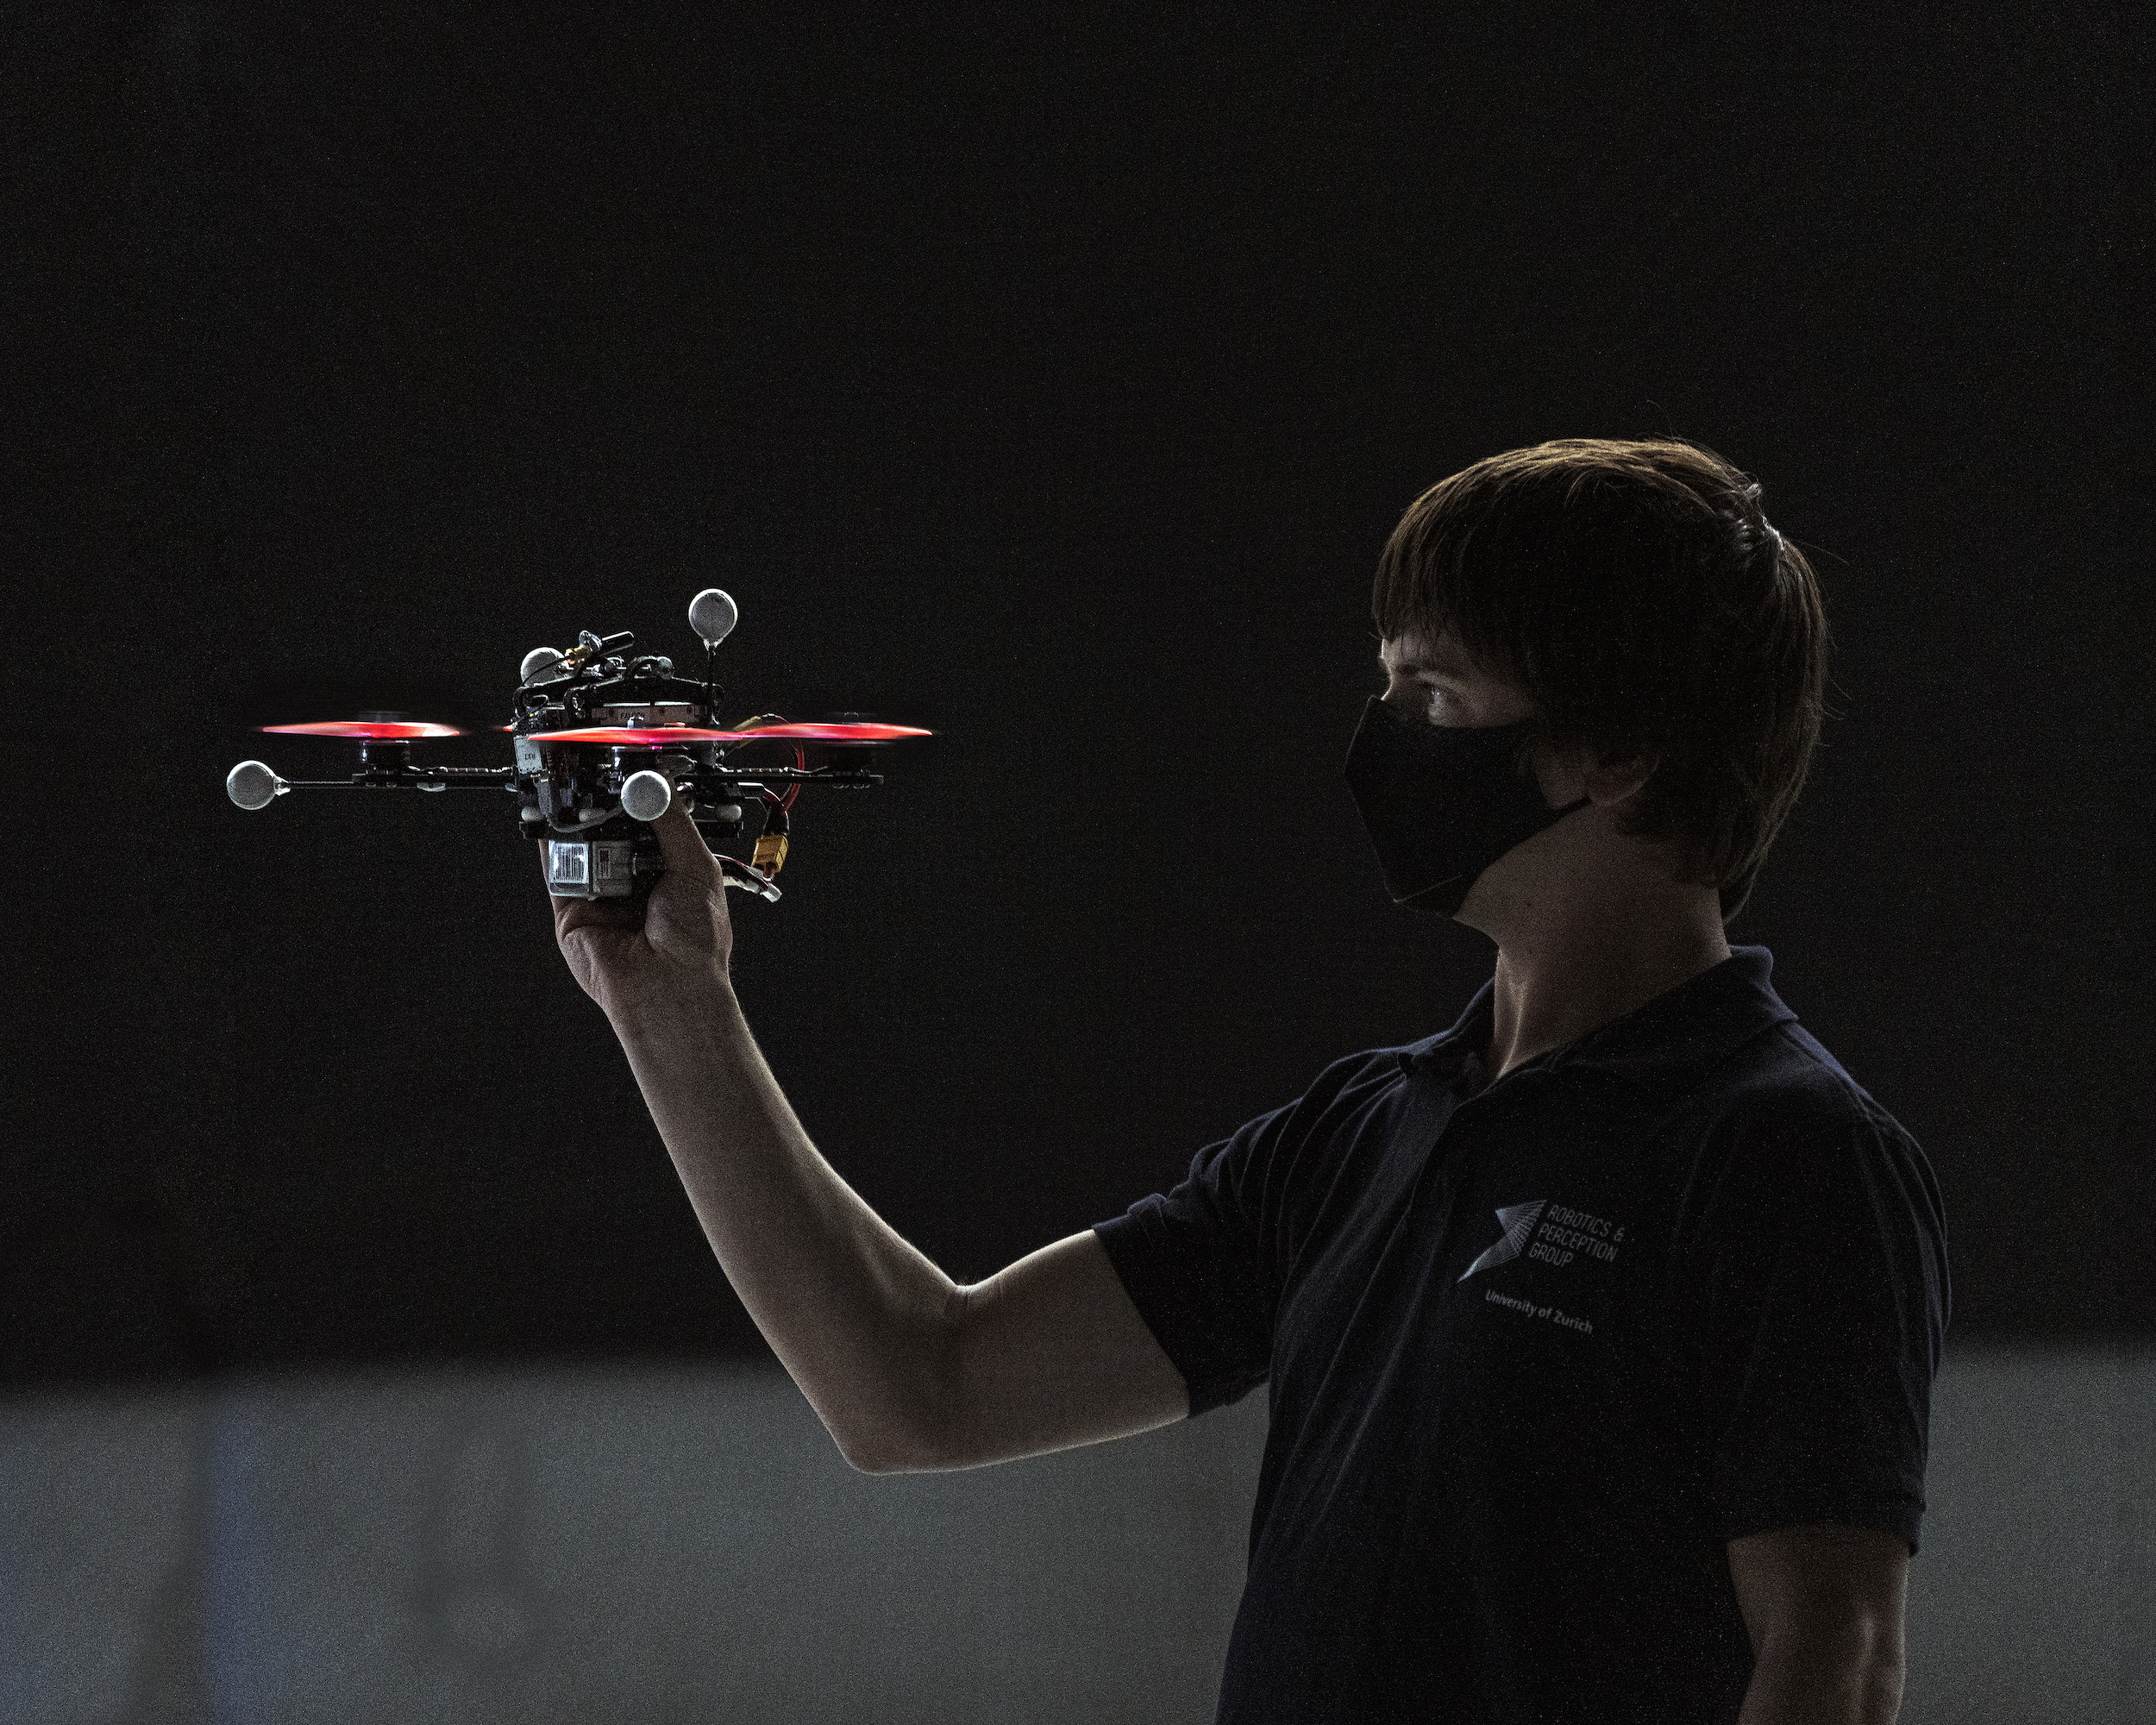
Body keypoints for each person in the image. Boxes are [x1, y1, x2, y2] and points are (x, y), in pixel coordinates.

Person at [544, 437, 1949, 1725]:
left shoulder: (1787, 1151)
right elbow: (920, 1386)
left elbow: (1836, 1654)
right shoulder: (1359, 1136)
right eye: (1388, 679)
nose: (1386, 731)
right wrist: (670, 1006)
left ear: (1623, 749)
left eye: (1436, 690)